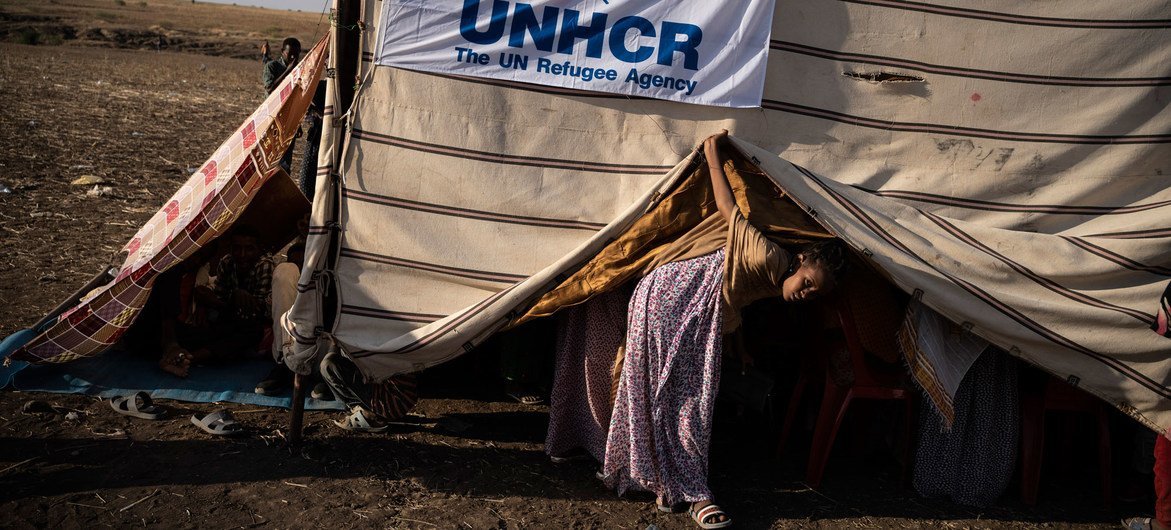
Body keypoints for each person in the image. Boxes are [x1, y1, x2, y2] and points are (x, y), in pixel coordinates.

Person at [601, 131, 848, 529]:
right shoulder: (770, 257)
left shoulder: (775, 279)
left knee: (675, 394)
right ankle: (694, 492)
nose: (806, 293)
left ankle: (669, 484)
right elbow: (728, 209)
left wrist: (740, 345)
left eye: (814, 293)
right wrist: (713, 155)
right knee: (685, 397)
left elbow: (733, 295)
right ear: (801, 260)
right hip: (674, 297)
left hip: (682, 301)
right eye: (808, 282)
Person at [260, 37, 302, 173]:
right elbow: (270, 89)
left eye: (296, 54)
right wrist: (288, 71)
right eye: (290, 54)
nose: (293, 57)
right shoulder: (272, 67)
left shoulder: (299, 71)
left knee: (284, 163)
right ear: (283, 52)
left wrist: (298, 122)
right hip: (271, 119)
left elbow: (297, 97)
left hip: (289, 121)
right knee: (269, 159)